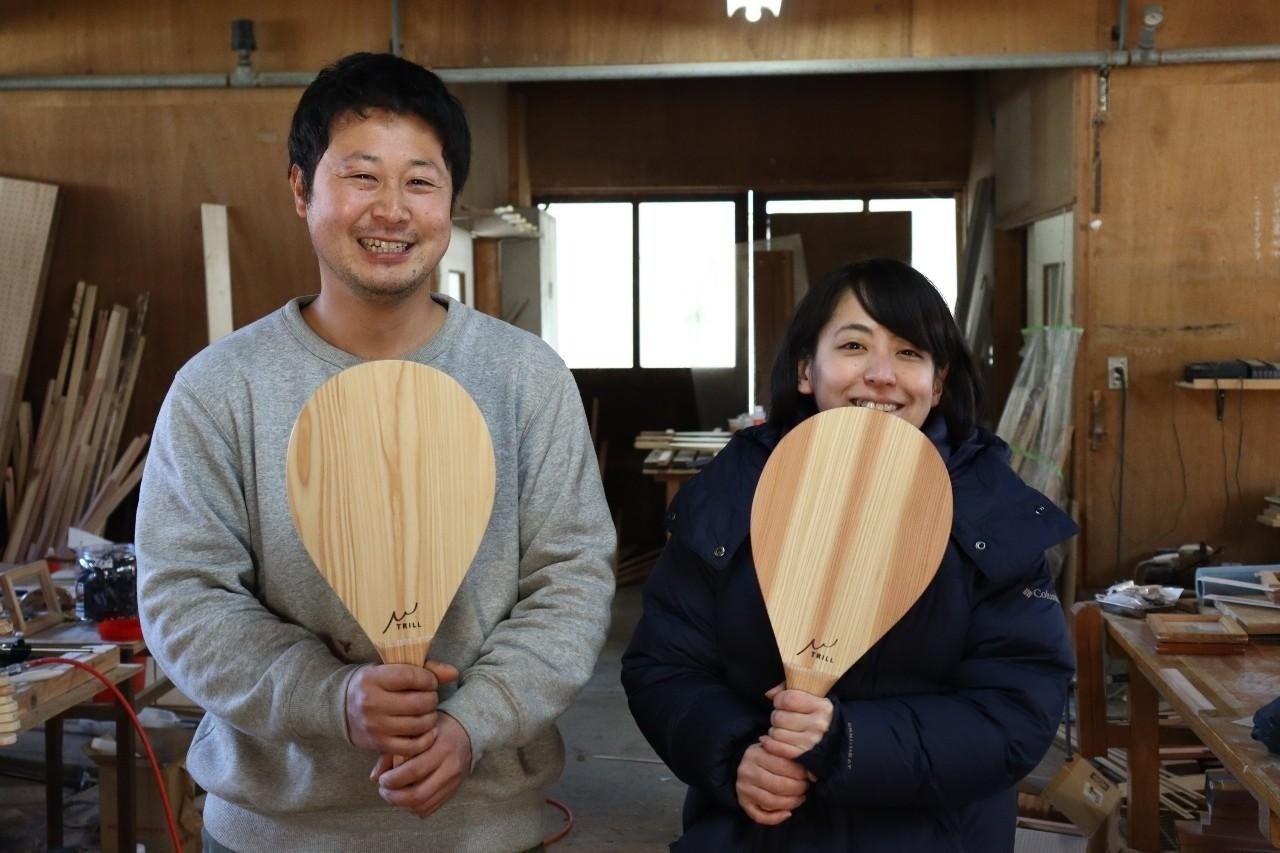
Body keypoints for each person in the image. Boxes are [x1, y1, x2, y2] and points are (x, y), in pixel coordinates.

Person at [136, 52, 615, 853]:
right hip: (270, 832)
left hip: (487, 826)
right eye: (362, 176)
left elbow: (571, 580)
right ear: (301, 189)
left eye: (420, 182)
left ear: (449, 200)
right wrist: (335, 695)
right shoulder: (220, 388)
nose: (392, 210)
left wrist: (472, 722)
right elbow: (185, 597)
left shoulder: (526, 378)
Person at [622, 258, 1076, 851]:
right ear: (807, 369)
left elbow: (1018, 709)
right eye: (855, 345)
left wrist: (848, 742)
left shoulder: (993, 514)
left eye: (910, 352)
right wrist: (735, 756)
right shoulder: (733, 495)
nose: (882, 374)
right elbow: (663, 668)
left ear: (938, 383)